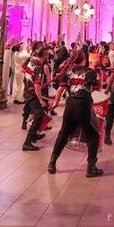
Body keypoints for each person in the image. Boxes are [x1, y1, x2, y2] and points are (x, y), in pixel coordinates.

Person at [46, 49, 104, 177]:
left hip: (70, 105)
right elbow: (98, 87)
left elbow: (61, 88)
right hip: (83, 106)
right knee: (93, 135)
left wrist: (55, 102)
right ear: (85, 58)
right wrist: (99, 72)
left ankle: (52, 162)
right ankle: (91, 167)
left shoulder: (68, 71)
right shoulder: (90, 72)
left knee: (63, 133)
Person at [20, 47, 50, 150]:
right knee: (39, 116)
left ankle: (34, 135)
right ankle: (27, 142)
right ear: (45, 56)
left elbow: (22, 70)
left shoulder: (31, 62)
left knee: (35, 113)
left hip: (27, 91)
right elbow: (37, 85)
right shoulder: (39, 67)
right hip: (33, 94)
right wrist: (41, 100)